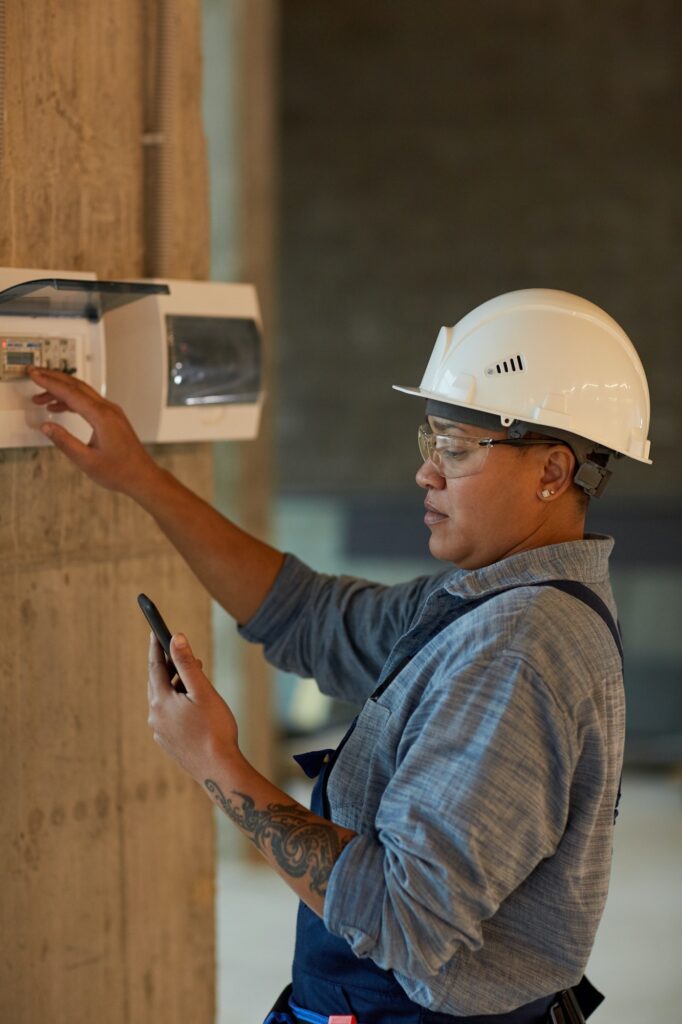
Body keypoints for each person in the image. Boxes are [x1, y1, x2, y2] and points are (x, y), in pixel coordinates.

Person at [27, 288, 651, 1024]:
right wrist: (141, 478)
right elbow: (309, 616)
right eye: (431, 443)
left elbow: (402, 917)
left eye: (456, 449)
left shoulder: (519, 646)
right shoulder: (487, 599)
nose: (427, 473)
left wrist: (215, 764)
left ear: (551, 472)